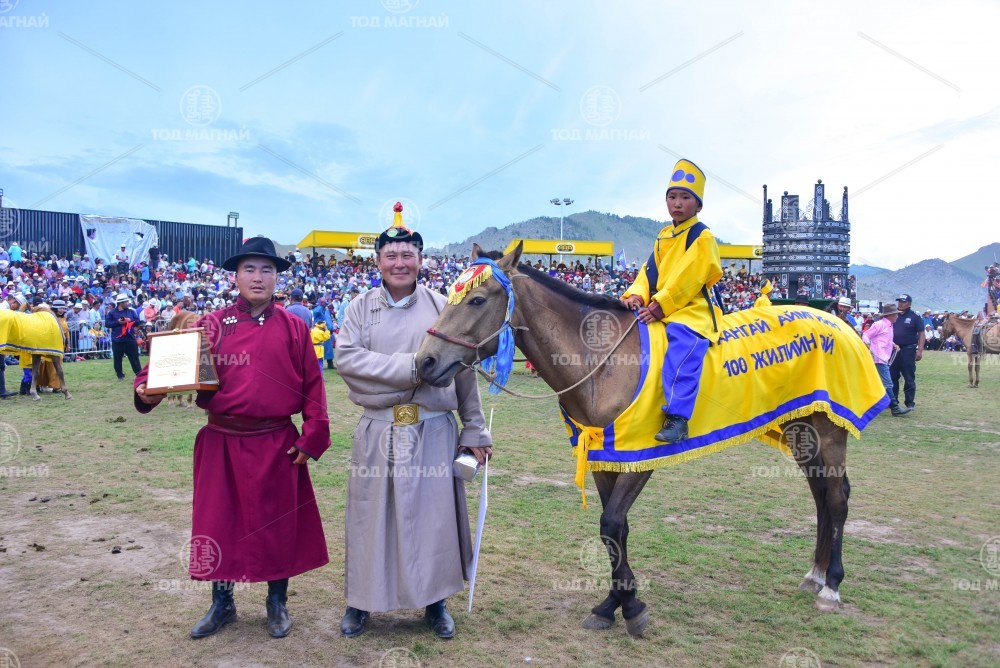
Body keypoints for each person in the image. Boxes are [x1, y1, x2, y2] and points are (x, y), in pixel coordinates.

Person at [133, 236, 330, 639]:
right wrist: (145, 388)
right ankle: (222, 604)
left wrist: (312, 435)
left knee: (277, 525)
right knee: (218, 523)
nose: (258, 277)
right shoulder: (211, 325)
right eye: (249, 269)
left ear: (276, 277)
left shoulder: (295, 327)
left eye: (267, 269)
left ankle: (277, 602)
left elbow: (314, 387)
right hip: (221, 441)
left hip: (276, 443)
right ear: (236, 276)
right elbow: (163, 367)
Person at [336, 213, 493, 640]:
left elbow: (463, 371)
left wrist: (475, 430)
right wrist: (412, 368)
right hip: (379, 429)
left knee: (433, 521)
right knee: (371, 519)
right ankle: (360, 602)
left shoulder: (444, 305)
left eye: (408, 255)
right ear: (378, 262)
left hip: (433, 429)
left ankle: (435, 602)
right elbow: (347, 360)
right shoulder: (359, 307)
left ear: (421, 260)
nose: (399, 262)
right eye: (391, 255)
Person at [621, 158, 723, 443]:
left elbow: (690, 278)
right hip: (660, 304)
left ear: (698, 205)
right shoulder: (664, 235)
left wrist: (660, 306)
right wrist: (636, 294)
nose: (677, 203)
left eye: (685, 197)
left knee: (683, 344)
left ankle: (678, 418)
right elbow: (649, 270)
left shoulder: (702, 236)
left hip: (691, 309)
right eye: (672, 197)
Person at [862, 304, 907, 416]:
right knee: (887, 383)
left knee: (879, 383)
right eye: (896, 314)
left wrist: (893, 344)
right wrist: (867, 344)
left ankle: (871, 405)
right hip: (878, 357)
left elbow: (884, 339)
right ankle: (895, 407)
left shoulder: (889, 326)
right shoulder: (879, 324)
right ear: (890, 315)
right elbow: (866, 335)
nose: (897, 316)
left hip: (883, 357)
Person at [890, 293, 924, 411]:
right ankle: (893, 402)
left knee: (909, 377)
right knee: (892, 376)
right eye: (899, 301)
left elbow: (921, 333)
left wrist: (920, 350)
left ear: (909, 304)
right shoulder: (893, 316)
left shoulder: (915, 317)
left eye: (903, 302)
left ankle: (910, 403)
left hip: (908, 350)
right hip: (893, 350)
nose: (900, 304)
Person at [105, 294, 142, 381]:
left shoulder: (131, 311)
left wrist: (130, 320)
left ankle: (139, 375)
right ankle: (120, 376)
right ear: (120, 303)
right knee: (117, 359)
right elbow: (107, 323)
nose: (128, 303)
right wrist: (118, 322)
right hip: (117, 340)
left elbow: (138, 321)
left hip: (130, 339)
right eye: (126, 302)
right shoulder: (112, 313)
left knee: (134, 358)